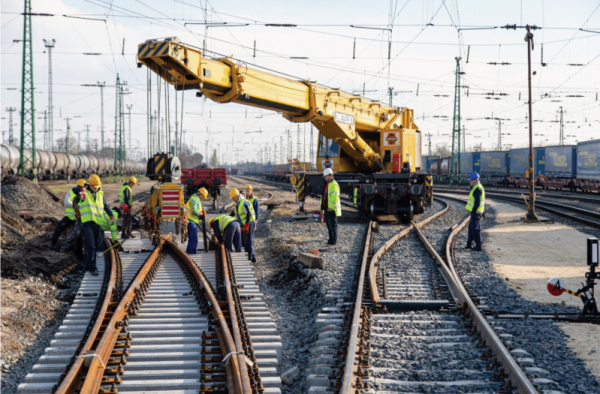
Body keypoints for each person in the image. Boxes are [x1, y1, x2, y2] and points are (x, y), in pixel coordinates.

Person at [73, 174, 115, 276]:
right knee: (91, 245)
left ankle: (87, 265)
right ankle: (93, 268)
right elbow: (75, 194)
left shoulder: (100, 193)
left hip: (97, 223)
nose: (96, 189)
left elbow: (106, 206)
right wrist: (76, 207)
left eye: (97, 187)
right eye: (94, 187)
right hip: (87, 223)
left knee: (94, 245)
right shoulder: (84, 192)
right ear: (89, 185)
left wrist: (111, 216)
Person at [49, 179, 86, 250]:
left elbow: (66, 202)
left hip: (76, 217)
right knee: (78, 234)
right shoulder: (73, 192)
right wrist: (75, 206)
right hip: (73, 217)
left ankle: (53, 244)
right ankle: (53, 244)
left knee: (60, 227)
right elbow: (66, 202)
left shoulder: (77, 192)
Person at [230, 188, 256, 262]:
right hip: (244, 224)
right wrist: (228, 217)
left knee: (249, 242)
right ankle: (253, 257)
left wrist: (247, 224)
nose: (232, 199)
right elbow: (234, 213)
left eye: (233, 198)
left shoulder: (243, 202)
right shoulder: (237, 204)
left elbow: (248, 213)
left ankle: (250, 258)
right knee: (245, 242)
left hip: (249, 223)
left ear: (237, 196)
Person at [464, 172, 485, 252]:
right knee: (471, 228)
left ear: (475, 180)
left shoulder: (478, 189)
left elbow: (477, 203)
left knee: (475, 229)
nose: (470, 182)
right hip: (475, 212)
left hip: (476, 212)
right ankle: (469, 244)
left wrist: (473, 211)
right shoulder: (475, 187)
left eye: (471, 180)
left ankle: (478, 246)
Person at [321, 168, 342, 246]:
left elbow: (335, 197)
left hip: (332, 209)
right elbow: (323, 197)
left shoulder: (334, 184)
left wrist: (331, 207)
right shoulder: (327, 185)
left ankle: (333, 241)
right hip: (327, 208)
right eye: (325, 177)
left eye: (326, 176)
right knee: (329, 226)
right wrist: (322, 208)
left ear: (331, 176)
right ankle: (330, 240)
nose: (325, 178)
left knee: (333, 226)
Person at [186, 187, 208, 254]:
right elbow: (193, 211)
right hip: (191, 222)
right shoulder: (194, 199)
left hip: (192, 221)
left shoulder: (196, 199)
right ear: (200, 194)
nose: (203, 198)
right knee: (194, 240)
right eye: (204, 197)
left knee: (192, 239)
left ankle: (188, 251)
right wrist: (200, 214)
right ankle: (191, 253)